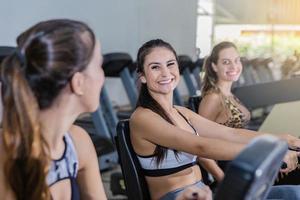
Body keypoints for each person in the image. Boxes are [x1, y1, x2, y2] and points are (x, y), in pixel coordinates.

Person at [130, 39, 300, 200]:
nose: (166, 73)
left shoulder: (182, 112)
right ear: (142, 76)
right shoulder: (142, 118)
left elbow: (230, 133)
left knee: (293, 193)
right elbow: (202, 146)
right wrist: (271, 153)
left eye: (170, 64)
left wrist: (282, 139)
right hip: (178, 196)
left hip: (204, 192)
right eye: (155, 67)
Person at [0, 19, 107, 199]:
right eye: (99, 66)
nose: (103, 76)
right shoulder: (8, 152)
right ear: (78, 83)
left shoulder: (78, 143)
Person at [198, 41, 300, 184]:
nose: (234, 66)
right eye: (226, 62)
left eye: (236, 60)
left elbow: (240, 134)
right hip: (234, 169)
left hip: (249, 160)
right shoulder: (213, 98)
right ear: (214, 66)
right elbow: (200, 150)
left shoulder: (231, 96)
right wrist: (223, 182)